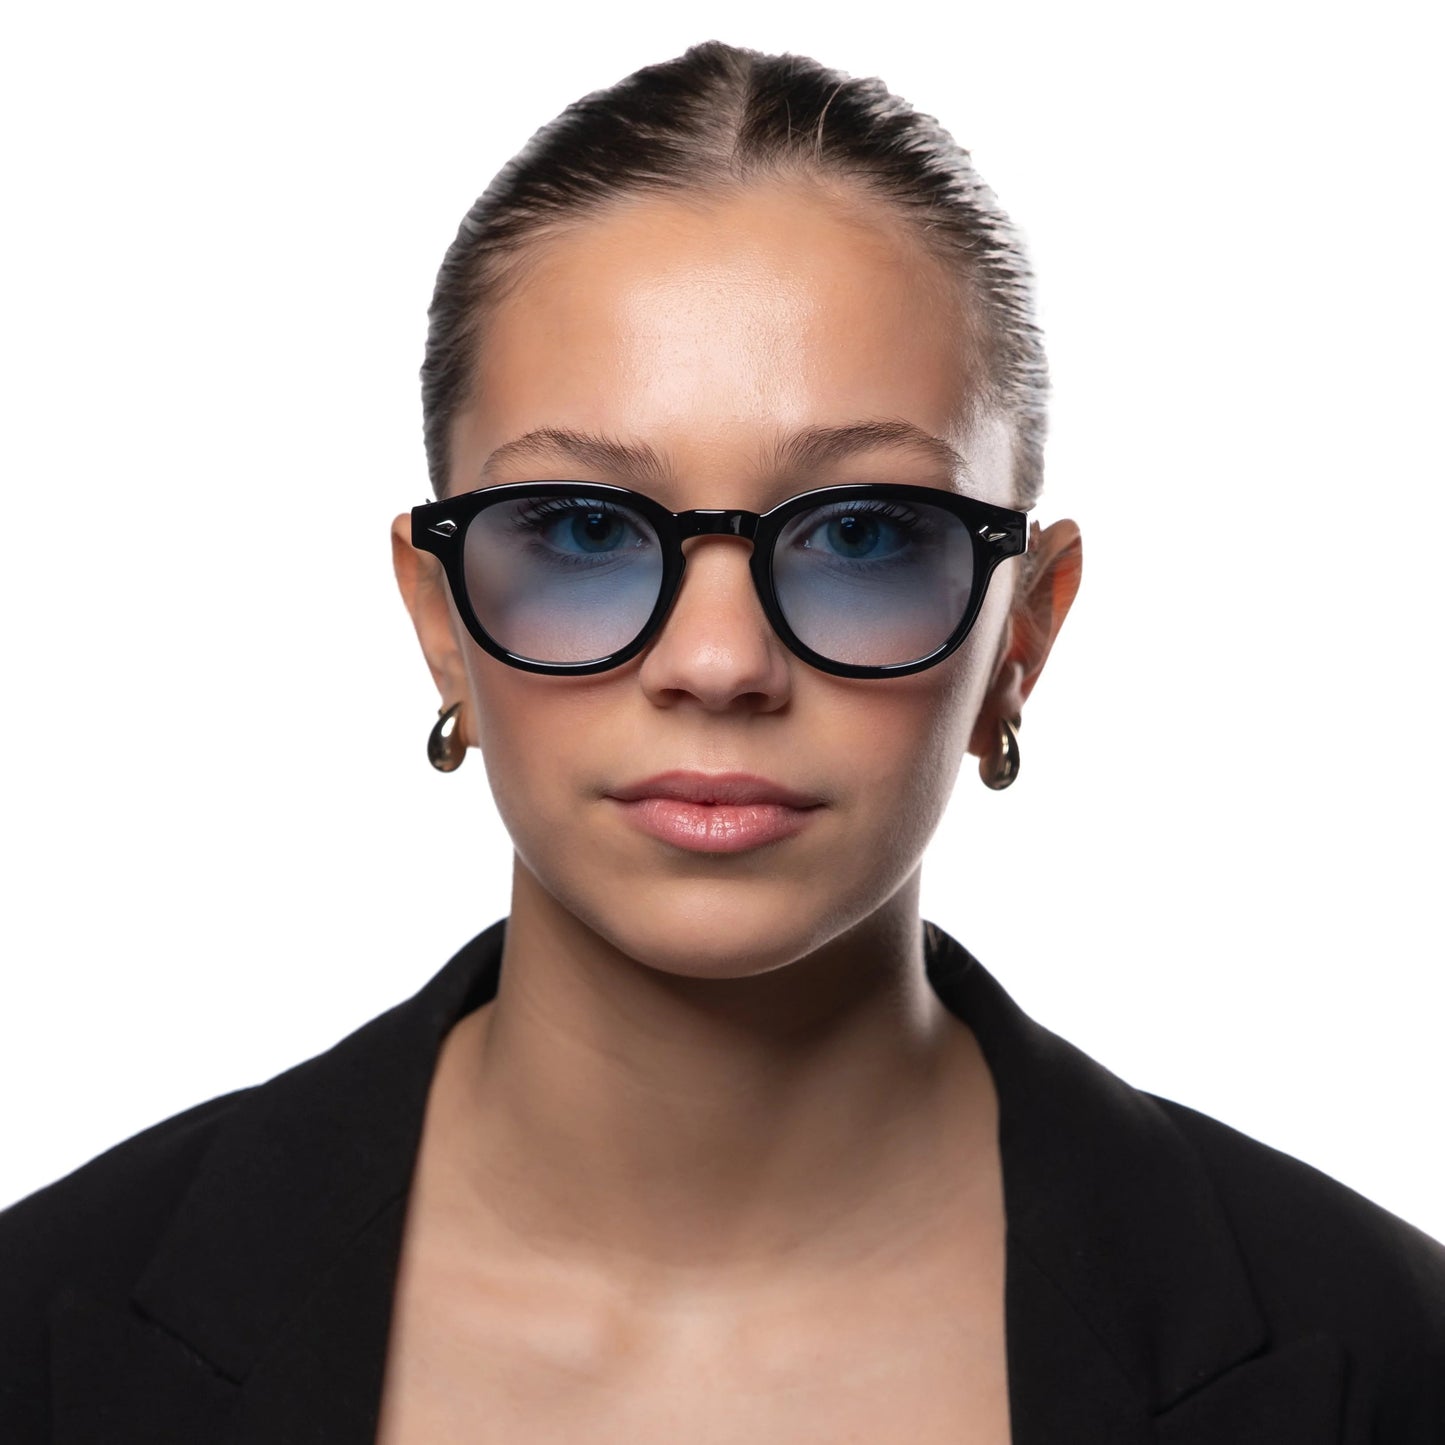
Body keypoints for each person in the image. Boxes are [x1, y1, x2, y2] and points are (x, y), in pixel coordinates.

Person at [1, 39, 1441, 1445]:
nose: (717, 663)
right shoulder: (40, 1334)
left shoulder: (1390, 1361)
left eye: (863, 534)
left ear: (1025, 633)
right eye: (582, 529)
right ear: (439, 618)